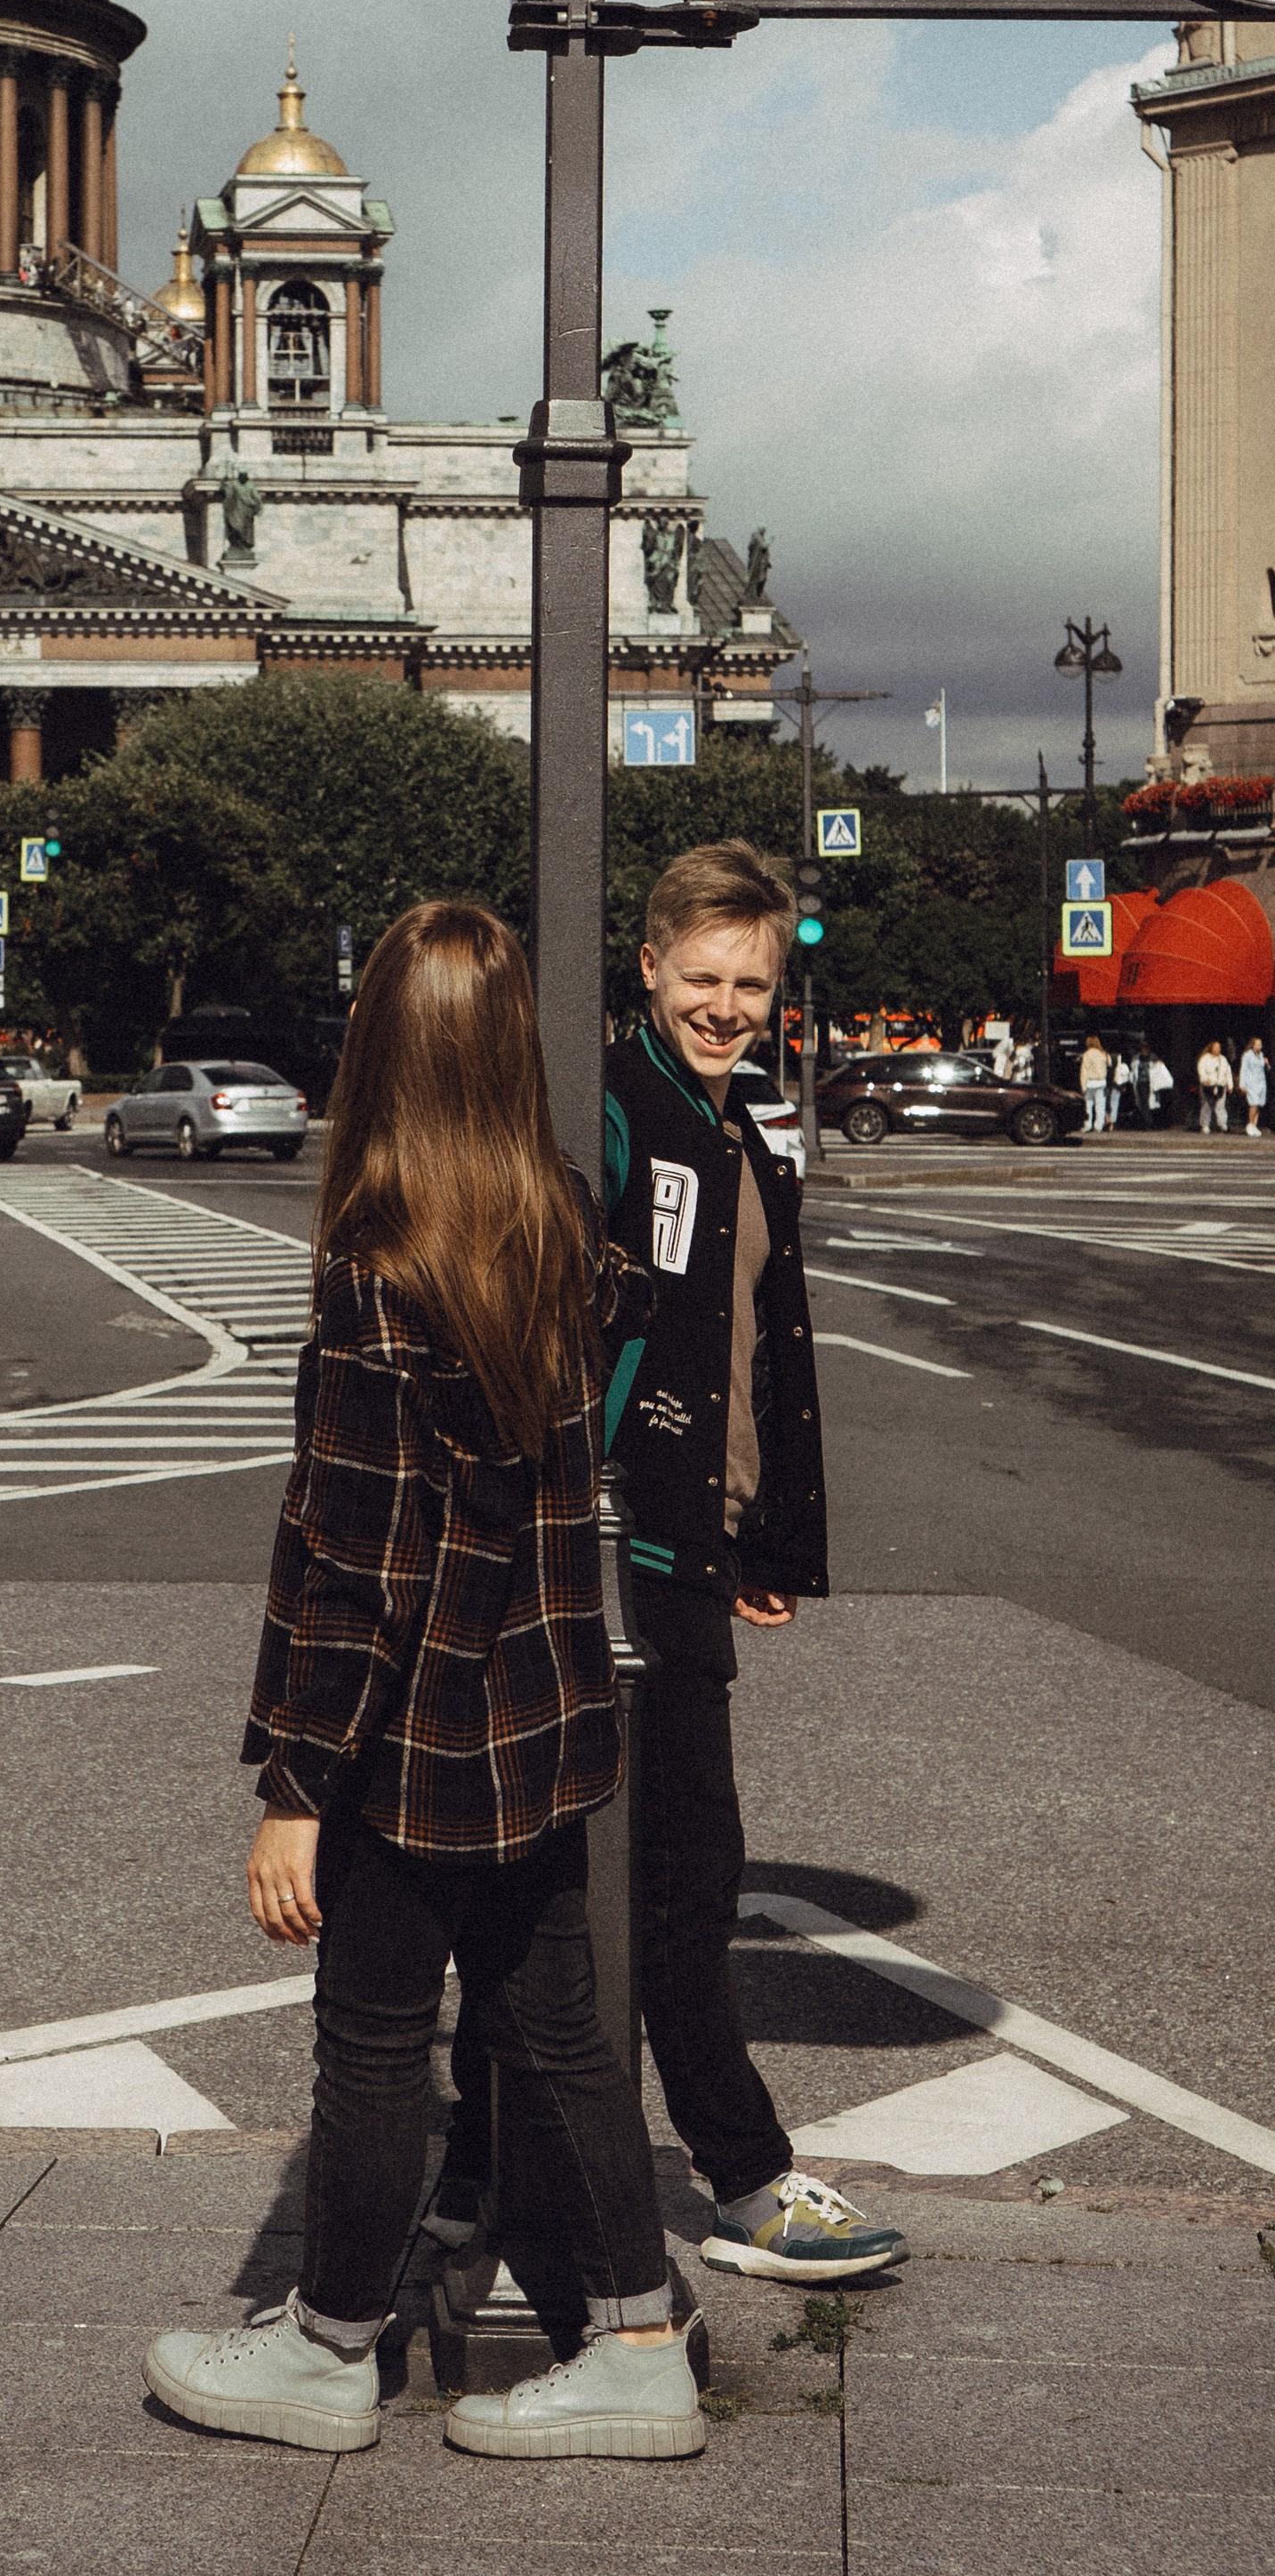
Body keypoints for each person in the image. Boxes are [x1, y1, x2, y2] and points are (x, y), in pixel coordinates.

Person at [142, 902, 705, 2465]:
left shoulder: (379, 1265)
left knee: (375, 2034)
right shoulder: (549, 1225)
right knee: (564, 2031)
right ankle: (641, 2337)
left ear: (379, 1044)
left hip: (411, 1742)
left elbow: (358, 1565)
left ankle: (328, 2344)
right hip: (539, 1716)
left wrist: (292, 1786)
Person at [434, 842, 903, 2294]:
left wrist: (759, 1533)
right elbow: (584, 1330)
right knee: (679, 1875)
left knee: (572, 1872)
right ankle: (746, 2176)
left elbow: (753, 1349)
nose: (724, 1002)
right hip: (616, 1547)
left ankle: (466, 2174)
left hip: (682, 1548)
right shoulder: (612, 1109)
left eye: (749, 982)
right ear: (645, 964)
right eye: (701, 975)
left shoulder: (738, 1120)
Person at [1197, 1035, 1232, 1133]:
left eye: (1219, 1047)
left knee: (1220, 1106)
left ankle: (1222, 1124)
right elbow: (1201, 1071)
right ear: (1211, 1048)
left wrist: (1230, 1085)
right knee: (1206, 1105)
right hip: (1208, 1086)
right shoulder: (1205, 1059)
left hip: (1221, 1085)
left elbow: (1228, 1073)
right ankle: (1205, 1125)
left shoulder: (1223, 1059)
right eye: (1216, 1047)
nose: (1218, 1049)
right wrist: (1204, 1080)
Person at [1079, 1033, 1110, 1136]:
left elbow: (1084, 1071)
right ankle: (1099, 1126)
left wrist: (1083, 1086)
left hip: (1090, 1083)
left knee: (1088, 1105)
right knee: (1100, 1105)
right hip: (1101, 1082)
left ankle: (1088, 1125)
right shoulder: (1103, 1053)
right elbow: (1110, 1063)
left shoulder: (1087, 1054)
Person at [1242, 1032, 1268, 1140]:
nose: (1259, 1046)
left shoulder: (1261, 1055)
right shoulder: (1247, 1055)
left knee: (1258, 1105)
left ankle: (1254, 1126)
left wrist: (1267, 1063)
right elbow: (1243, 1070)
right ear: (1253, 1045)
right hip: (1251, 1083)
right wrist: (1242, 1085)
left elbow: (1264, 1069)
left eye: (1260, 1044)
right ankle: (1250, 1124)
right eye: (1257, 1044)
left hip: (1261, 1083)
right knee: (1253, 1104)